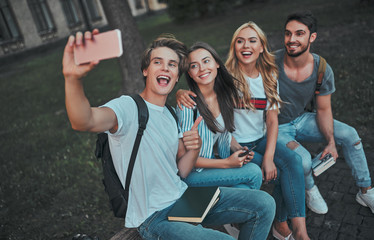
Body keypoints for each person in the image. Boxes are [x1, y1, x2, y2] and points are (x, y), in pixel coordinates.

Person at [62, 30, 275, 240]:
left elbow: (182, 170)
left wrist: (194, 148)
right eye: (157, 62)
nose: (165, 67)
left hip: (184, 198)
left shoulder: (172, 115)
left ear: (175, 79)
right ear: (145, 70)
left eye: (172, 64)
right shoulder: (128, 107)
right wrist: (72, 79)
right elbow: (84, 120)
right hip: (155, 217)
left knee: (265, 204)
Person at [177, 22, 310, 240]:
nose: (201, 68)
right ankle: (236, 215)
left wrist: (251, 152)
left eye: (252, 40)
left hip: (247, 145)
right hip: (203, 166)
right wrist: (181, 92)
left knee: (291, 164)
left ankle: (290, 228)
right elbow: (184, 163)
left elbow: (237, 128)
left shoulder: (247, 84)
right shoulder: (207, 91)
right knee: (258, 175)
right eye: (240, 41)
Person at [274, 10, 374, 215]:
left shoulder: (321, 68)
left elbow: (323, 108)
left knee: (350, 135)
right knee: (302, 160)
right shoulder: (269, 62)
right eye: (288, 33)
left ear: (312, 37)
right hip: (275, 127)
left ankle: (366, 191)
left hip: (301, 119)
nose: (292, 39)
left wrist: (330, 142)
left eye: (299, 33)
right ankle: (310, 188)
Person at [176, 42, 262, 190]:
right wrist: (227, 163)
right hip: (193, 174)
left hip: (215, 162)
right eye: (194, 65)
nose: (202, 68)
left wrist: (238, 149)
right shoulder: (188, 105)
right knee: (254, 173)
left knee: (247, 184)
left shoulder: (223, 95)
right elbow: (183, 160)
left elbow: (225, 133)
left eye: (206, 61)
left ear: (216, 63)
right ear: (189, 73)